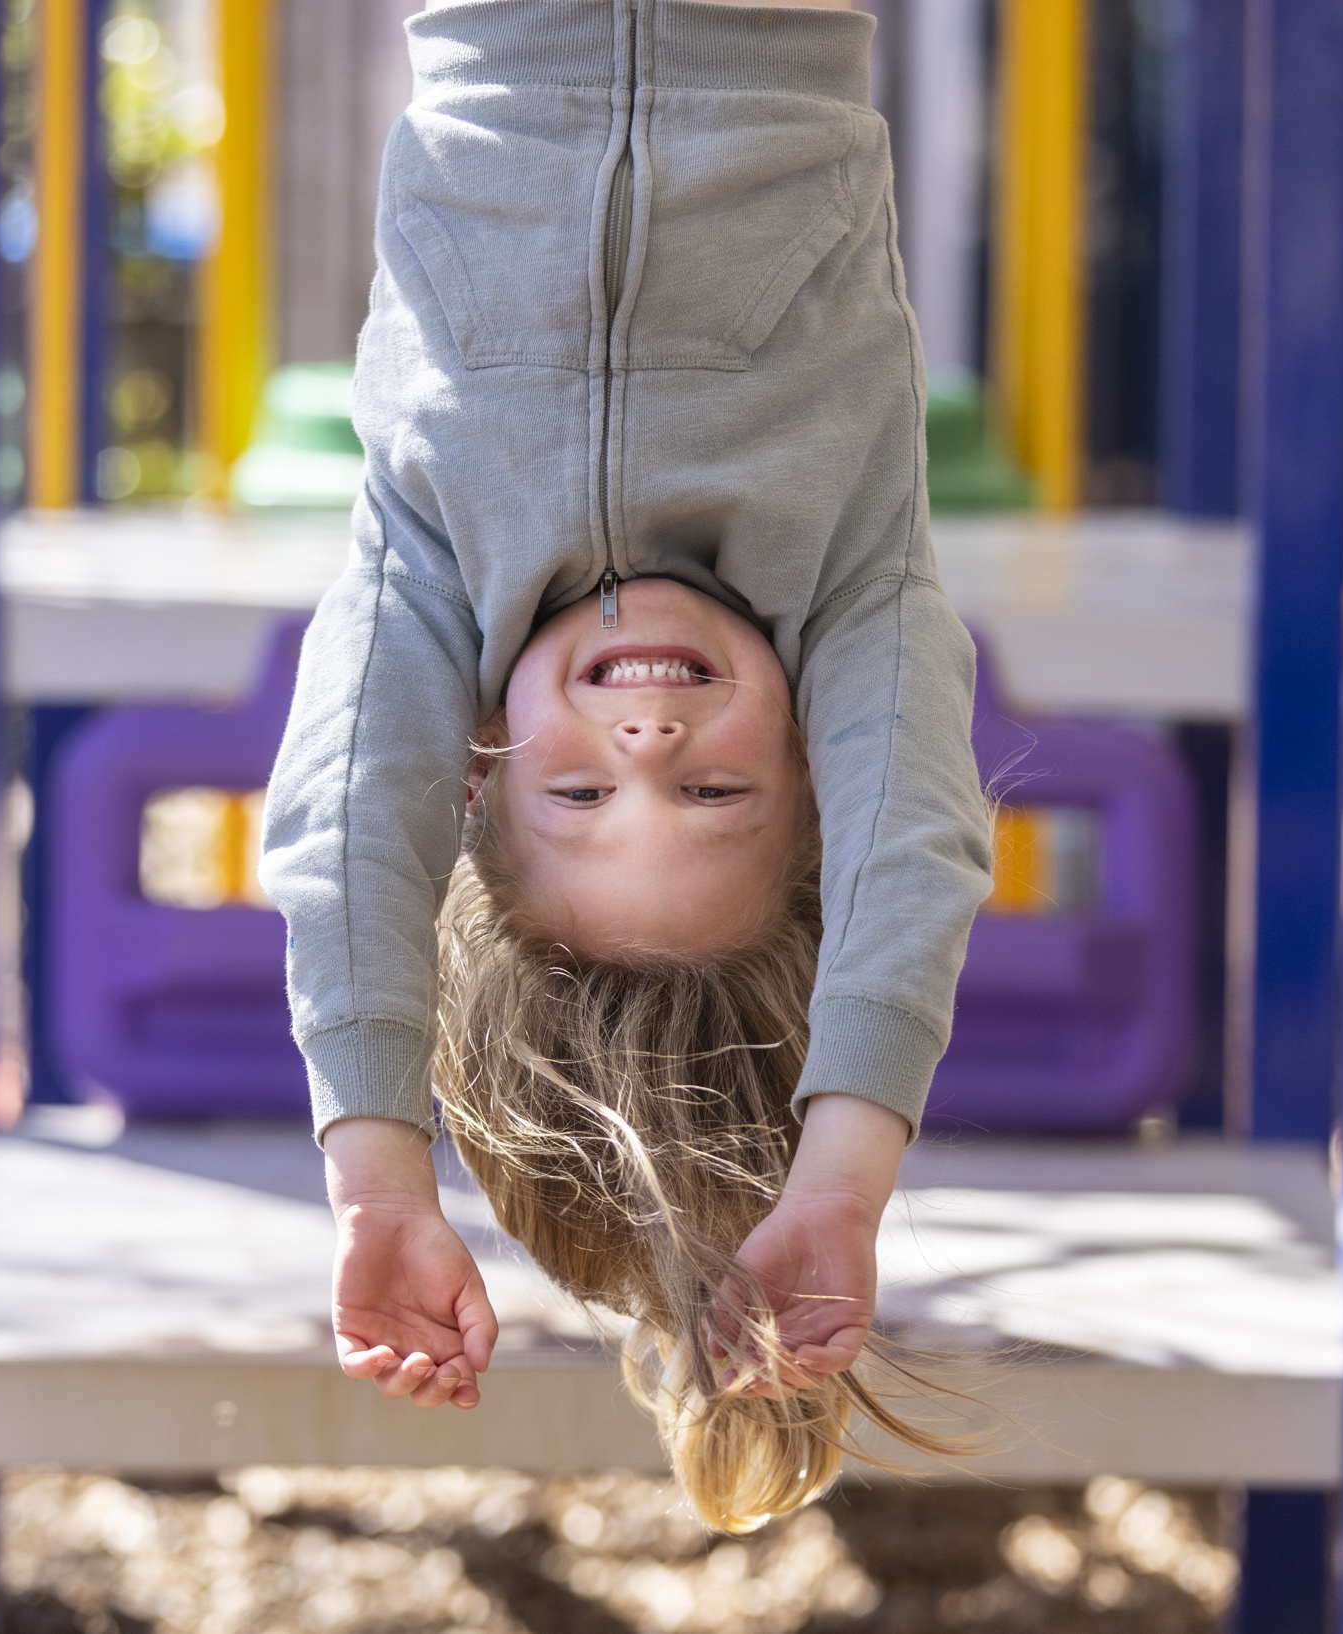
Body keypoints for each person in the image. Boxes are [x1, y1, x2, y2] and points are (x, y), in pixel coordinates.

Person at [259, 0, 992, 1531]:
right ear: (812, 768)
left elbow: (342, 818)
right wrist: (841, 1178)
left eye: (578, 797)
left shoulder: (430, 567)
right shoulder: (852, 574)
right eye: (711, 793)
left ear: (476, 765)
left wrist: (379, 1178)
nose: (646, 745)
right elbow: (913, 840)